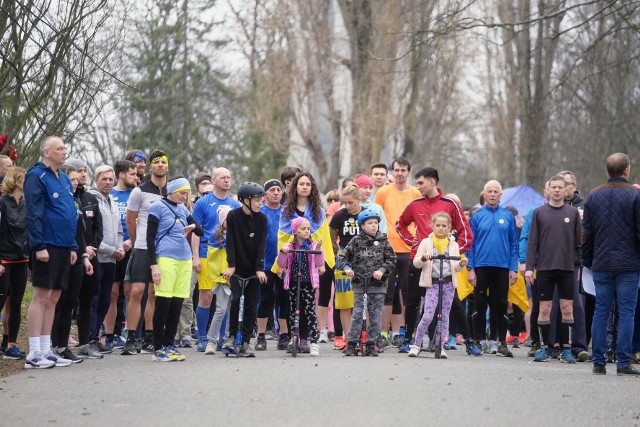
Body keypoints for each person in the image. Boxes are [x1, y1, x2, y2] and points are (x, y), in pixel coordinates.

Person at [396, 167, 472, 353]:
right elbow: (400, 225)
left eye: (420, 182)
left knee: (453, 303)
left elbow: (466, 233)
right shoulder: (415, 204)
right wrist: (412, 242)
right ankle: (409, 340)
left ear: (432, 182)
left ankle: (469, 341)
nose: (417, 186)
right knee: (413, 301)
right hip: (420, 261)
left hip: (444, 266)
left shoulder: (450, 204)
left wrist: (453, 252)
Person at [582, 153, 640, 376]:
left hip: (602, 262)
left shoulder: (594, 196)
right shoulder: (635, 195)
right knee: (626, 311)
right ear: (626, 170)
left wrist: (588, 261)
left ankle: (599, 362)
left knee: (601, 311)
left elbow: (586, 234)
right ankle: (623, 362)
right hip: (628, 263)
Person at [23, 136, 78, 368]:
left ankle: (47, 350)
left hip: (64, 245)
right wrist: (38, 245)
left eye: (65, 147)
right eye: (60, 148)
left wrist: (73, 245)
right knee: (41, 295)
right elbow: (34, 213)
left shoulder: (63, 178)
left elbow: (69, 213)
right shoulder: (36, 176)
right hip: (46, 244)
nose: (65, 152)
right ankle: (34, 353)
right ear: (47, 152)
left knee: (54, 297)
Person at [274, 172, 335, 351]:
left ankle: (305, 339)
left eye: (308, 184)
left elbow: (323, 237)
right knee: (292, 301)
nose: (305, 187)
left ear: (312, 187)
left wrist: (323, 262)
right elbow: (282, 236)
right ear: (295, 187)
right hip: (292, 261)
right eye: (301, 184)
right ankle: (293, 336)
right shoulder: (286, 211)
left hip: (311, 261)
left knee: (309, 302)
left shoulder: (318, 211)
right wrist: (280, 264)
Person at [525, 175, 581, 363]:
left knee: (567, 308)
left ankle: (567, 349)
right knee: (545, 307)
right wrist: (529, 268)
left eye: (560, 187)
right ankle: (544, 348)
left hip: (567, 268)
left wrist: (579, 267)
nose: (557, 190)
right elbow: (532, 242)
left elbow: (578, 244)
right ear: (548, 190)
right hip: (545, 268)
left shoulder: (572, 214)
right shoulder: (539, 213)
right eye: (553, 187)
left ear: (566, 190)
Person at [147, 177, 203, 362]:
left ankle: (169, 345)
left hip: (184, 259)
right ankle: (158, 347)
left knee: (177, 303)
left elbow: (200, 231)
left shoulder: (183, 209)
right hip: (165, 258)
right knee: (163, 303)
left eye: (187, 193)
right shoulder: (157, 207)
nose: (185, 196)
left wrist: (193, 226)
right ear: (171, 190)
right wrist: (153, 265)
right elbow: (150, 238)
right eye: (182, 192)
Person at [121, 150, 168, 355]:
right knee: (137, 291)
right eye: (156, 162)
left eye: (163, 162)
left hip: (164, 249)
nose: (160, 165)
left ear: (167, 166)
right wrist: (135, 241)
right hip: (141, 247)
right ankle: (131, 336)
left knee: (154, 293)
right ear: (150, 167)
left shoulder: (172, 190)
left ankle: (150, 335)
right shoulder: (139, 191)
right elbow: (130, 220)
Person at [466, 180, 518, 357]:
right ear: (484, 194)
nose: (493, 194)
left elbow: (513, 244)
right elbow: (470, 245)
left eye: (496, 191)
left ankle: (500, 342)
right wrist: (470, 268)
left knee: (500, 305)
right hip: (481, 266)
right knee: (479, 304)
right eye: (490, 191)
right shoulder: (477, 216)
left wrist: (513, 268)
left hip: (502, 267)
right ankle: (478, 341)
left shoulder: (508, 216)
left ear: (501, 195)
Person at [374, 158, 421, 348]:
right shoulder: (384, 192)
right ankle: (383, 333)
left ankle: (404, 333)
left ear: (409, 172)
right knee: (386, 293)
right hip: (388, 249)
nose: (399, 173)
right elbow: (376, 217)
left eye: (403, 170)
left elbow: (420, 219)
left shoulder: (415, 193)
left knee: (408, 294)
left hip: (409, 250)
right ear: (392, 173)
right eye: (396, 170)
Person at [193, 167, 240, 352]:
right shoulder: (203, 203)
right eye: (222, 177)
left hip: (227, 257)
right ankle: (203, 337)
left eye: (229, 177)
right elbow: (196, 232)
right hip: (207, 253)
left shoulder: (235, 205)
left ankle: (220, 338)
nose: (227, 180)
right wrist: (195, 257)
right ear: (213, 180)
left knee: (225, 298)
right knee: (205, 297)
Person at [338, 209, 396, 356]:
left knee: (376, 315)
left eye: (376, 223)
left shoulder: (383, 241)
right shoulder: (356, 241)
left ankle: (372, 343)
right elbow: (343, 258)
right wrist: (347, 268)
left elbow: (391, 259)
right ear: (362, 226)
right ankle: (351, 343)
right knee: (358, 314)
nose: (373, 226)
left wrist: (382, 270)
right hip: (360, 283)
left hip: (378, 285)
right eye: (370, 223)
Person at [408, 212, 467, 358]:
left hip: (448, 283)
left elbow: (456, 267)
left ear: (449, 228)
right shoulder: (426, 243)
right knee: (428, 315)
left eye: (444, 226)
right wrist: (423, 258)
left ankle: (441, 347)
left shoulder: (453, 245)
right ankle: (416, 344)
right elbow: (416, 263)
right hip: (432, 283)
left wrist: (461, 264)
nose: (441, 228)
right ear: (433, 226)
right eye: (438, 225)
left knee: (445, 316)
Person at [52, 165, 96, 362]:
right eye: (71, 179)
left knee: (70, 303)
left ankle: (63, 347)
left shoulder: (74, 202)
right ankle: (55, 345)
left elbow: (80, 234)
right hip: (60, 255)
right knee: (59, 303)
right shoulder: (58, 201)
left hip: (77, 255)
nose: (75, 183)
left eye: (77, 180)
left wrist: (85, 257)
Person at [221, 182, 268, 356]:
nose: (260, 202)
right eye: (257, 200)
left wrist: (259, 268)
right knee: (235, 301)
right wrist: (231, 266)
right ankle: (232, 336)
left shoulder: (262, 219)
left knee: (250, 305)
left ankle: (247, 340)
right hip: (237, 269)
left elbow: (261, 245)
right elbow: (230, 243)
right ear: (245, 200)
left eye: (261, 199)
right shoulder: (233, 216)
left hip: (254, 270)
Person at [88, 165, 125, 351]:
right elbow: (91, 233)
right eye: (104, 179)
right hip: (98, 258)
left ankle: (96, 336)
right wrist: (111, 250)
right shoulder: (91, 199)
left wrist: (119, 248)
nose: (108, 182)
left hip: (112, 259)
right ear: (96, 180)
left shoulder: (112, 201)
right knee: (94, 300)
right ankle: (90, 338)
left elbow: (118, 230)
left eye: (111, 179)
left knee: (105, 299)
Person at [278, 217, 325, 357]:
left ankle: (313, 341)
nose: (306, 231)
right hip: (293, 282)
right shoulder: (290, 246)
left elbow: (319, 262)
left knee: (310, 311)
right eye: (303, 229)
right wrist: (283, 251)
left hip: (308, 283)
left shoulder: (312, 246)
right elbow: (281, 263)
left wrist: (318, 249)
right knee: (294, 310)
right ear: (295, 231)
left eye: (308, 229)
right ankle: (295, 338)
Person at [255, 179, 289, 351]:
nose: (276, 192)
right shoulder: (260, 213)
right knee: (265, 298)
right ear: (265, 194)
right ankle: (261, 335)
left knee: (284, 298)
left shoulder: (287, 213)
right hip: (266, 264)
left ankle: (284, 335)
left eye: (278, 189)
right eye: (272, 190)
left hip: (285, 265)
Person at [328, 184, 362, 348]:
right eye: (345, 203)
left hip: (363, 259)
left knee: (364, 299)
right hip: (344, 258)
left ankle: (365, 336)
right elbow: (331, 237)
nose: (347, 206)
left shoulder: (366, 215)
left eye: (351, 203)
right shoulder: (339, 216)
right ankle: (348, 339)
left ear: (359, 200)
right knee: (344, 301)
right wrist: (337, 255)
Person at [0, 167, 28, 360]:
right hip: (4, 259)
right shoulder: (2, 203)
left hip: (22, 259)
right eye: (26, 179)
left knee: (16, 303)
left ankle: (11, 344)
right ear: (17, 181)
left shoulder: (27, 204)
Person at [110, 160, 138, 347]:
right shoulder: (109, 194)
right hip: (112, 249)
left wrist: (131, 241)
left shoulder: (135, 194)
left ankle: (130, 331)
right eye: (132, 174)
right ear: (121, 175)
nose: (136, 177)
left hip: (130, 247)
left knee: (130, 292)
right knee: (112, 293)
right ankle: (110, 333)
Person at [203, 205, 233, 355]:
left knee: (232, 310)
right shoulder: (216, 236)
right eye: (229, 219)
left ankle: (228, 339)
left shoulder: (239, 234)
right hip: (223, 279)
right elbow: (214, 260)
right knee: (221, 309)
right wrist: (223, 276)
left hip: (237, 277)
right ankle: (211, 341)